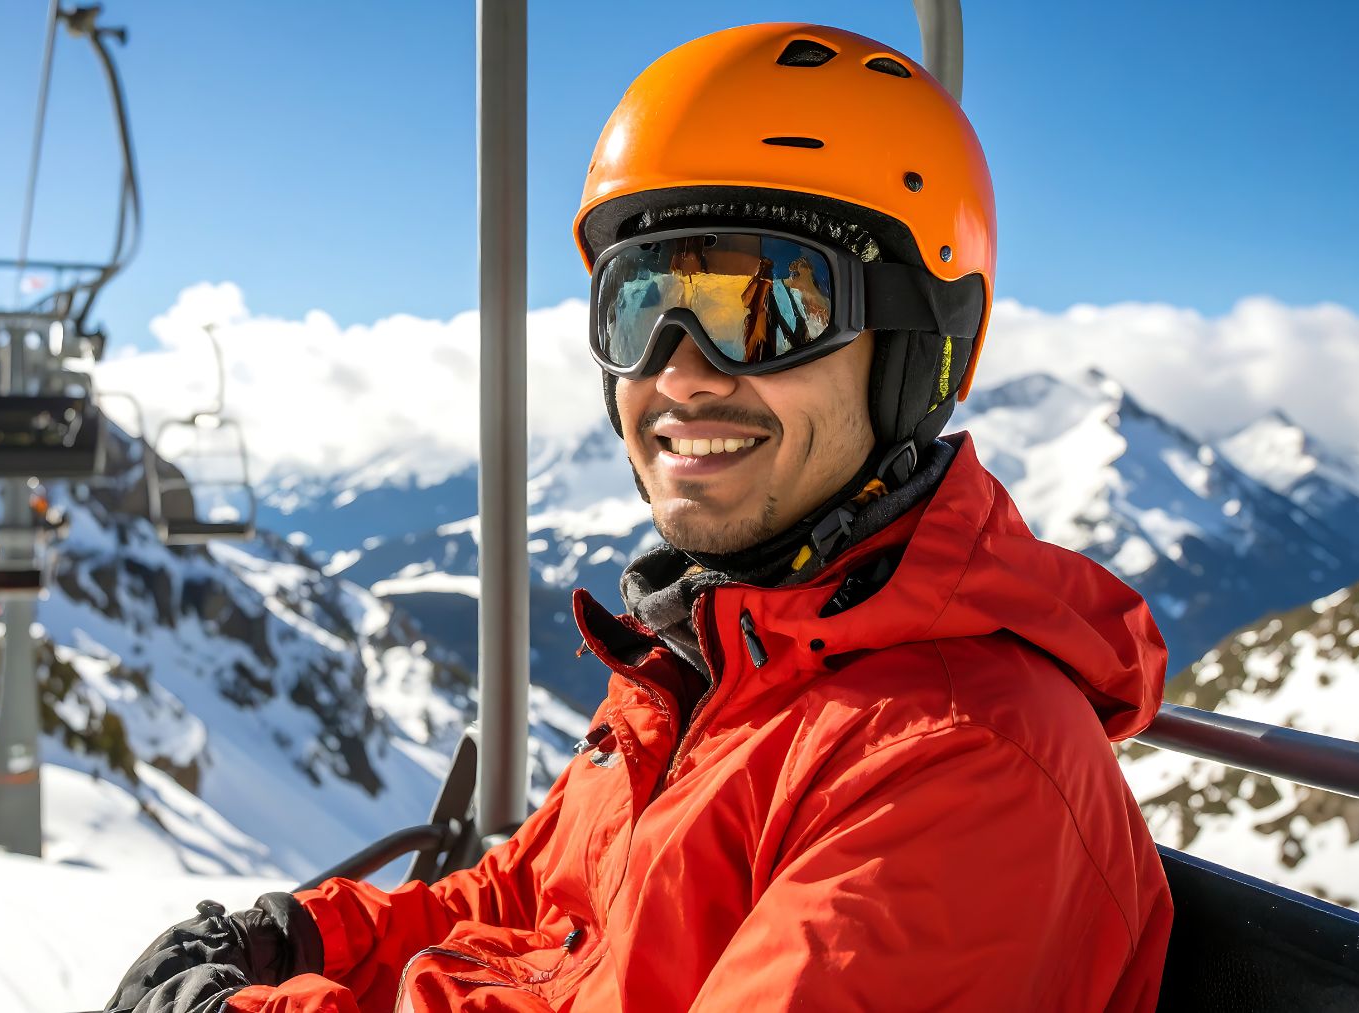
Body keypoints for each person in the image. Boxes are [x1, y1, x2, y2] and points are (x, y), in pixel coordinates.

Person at [106, 23, 1172, 1013]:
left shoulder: (956, 761)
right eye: (642, 302)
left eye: (770, 306)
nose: (681, 373)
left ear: (913, 349)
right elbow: (528, 908)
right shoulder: (716, 667)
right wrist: (302, 941)